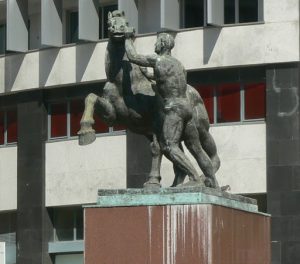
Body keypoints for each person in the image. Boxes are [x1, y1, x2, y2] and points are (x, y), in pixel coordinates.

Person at [125, 32, 218, 188]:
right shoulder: (178, 64)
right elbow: (167, 80)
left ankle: (195, 178)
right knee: (196, 148)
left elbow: (133, 56)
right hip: (186, 107)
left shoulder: (157, 59)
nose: (154, 45)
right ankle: (214, 182)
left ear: (162, 44)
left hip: (174, 108)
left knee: (169, 146)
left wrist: (127, 39)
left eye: (156, 42)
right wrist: (148, 75)